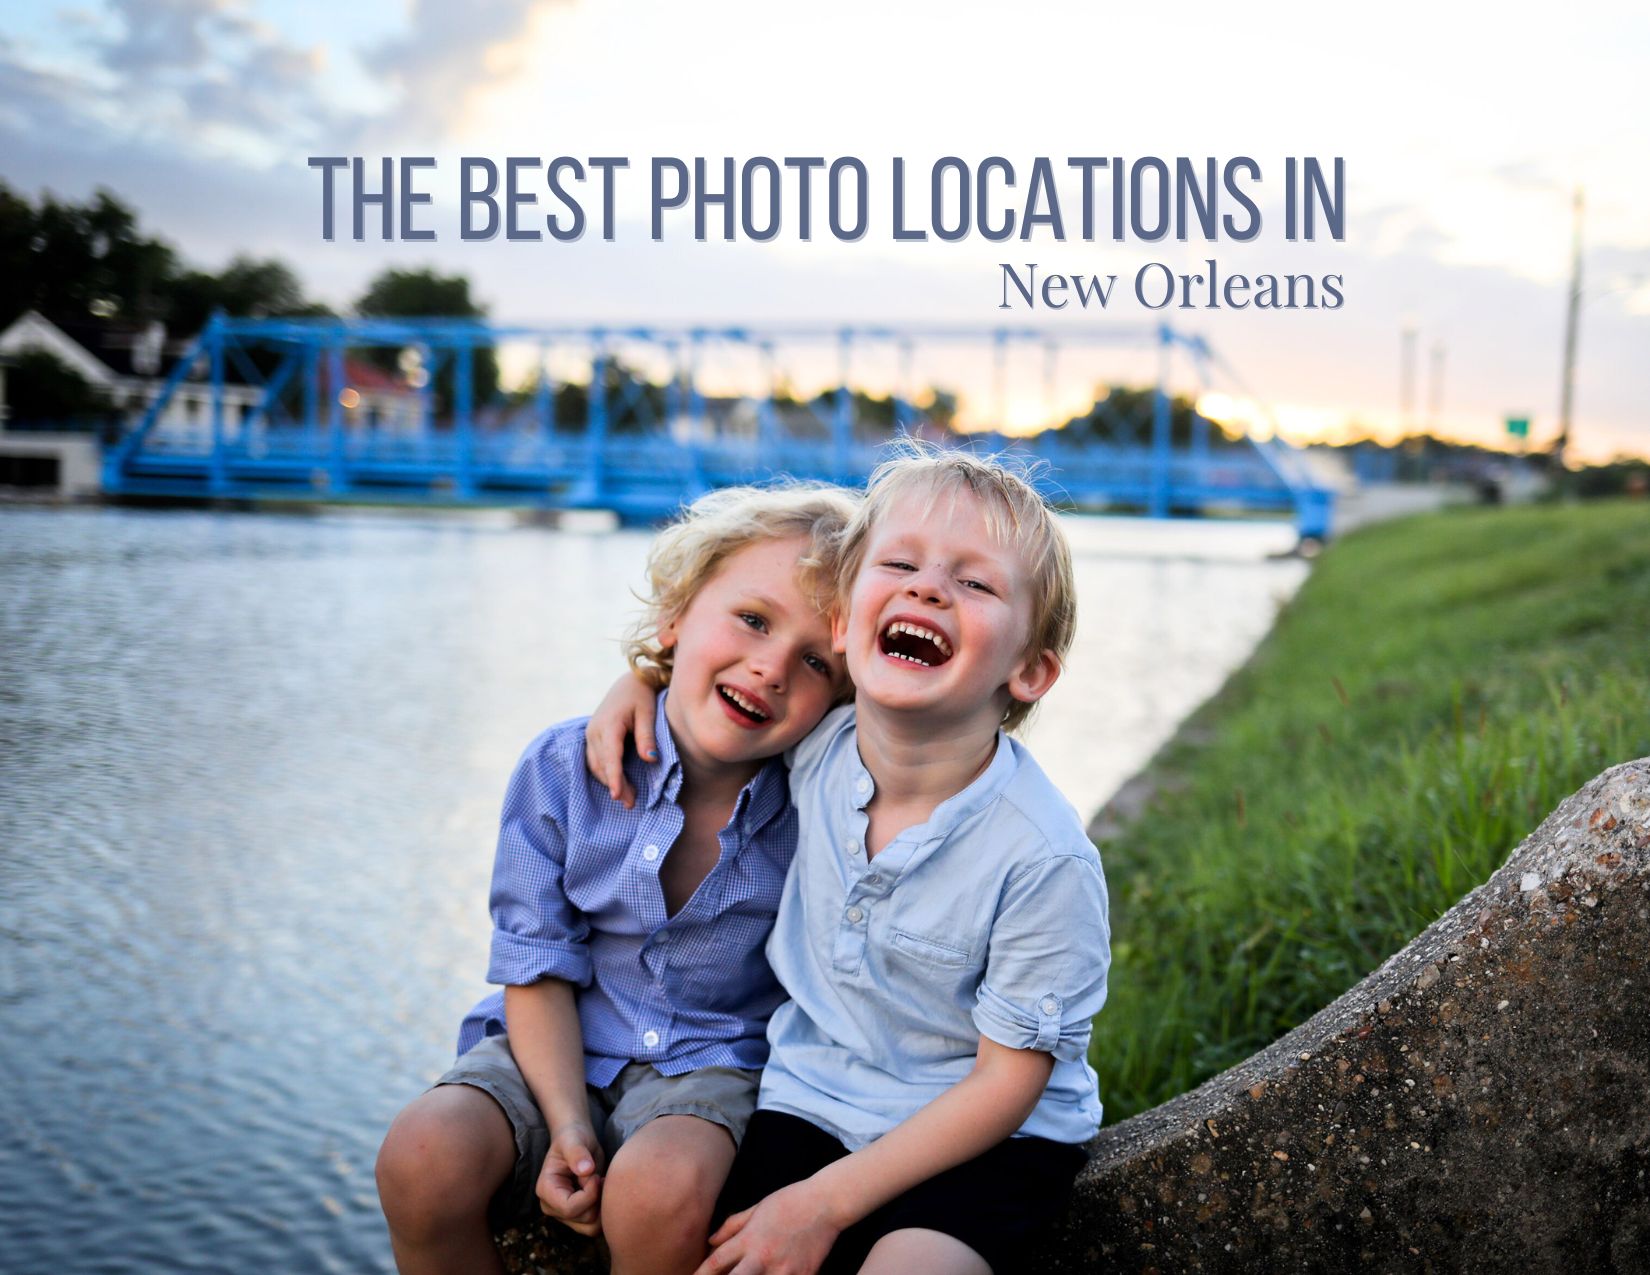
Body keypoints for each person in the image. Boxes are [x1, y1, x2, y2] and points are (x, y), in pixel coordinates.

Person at [587, 448, 1111, 1275]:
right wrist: (639, 684)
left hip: (982, 1132)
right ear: (843, 622)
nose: (928, 588)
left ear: (1031, 670)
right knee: (704, 1239)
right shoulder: (818, 746)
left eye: (975, 584)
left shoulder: (1042, 858)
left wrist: (824, 1202)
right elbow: (723, 704)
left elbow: (1006, 1084)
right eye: (899, 564)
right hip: (815, 1095)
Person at [375, 483, 856, 1275]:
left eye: (815, 661)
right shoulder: (565, 769)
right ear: (676, 614)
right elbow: (535, 963)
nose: (771, 666)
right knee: (422, 1155)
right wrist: (567, 1125)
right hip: (552, 1044)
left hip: (712, 1061)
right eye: (753, 618)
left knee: (657, 1192)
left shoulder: (820, 800)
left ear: (839, 701)